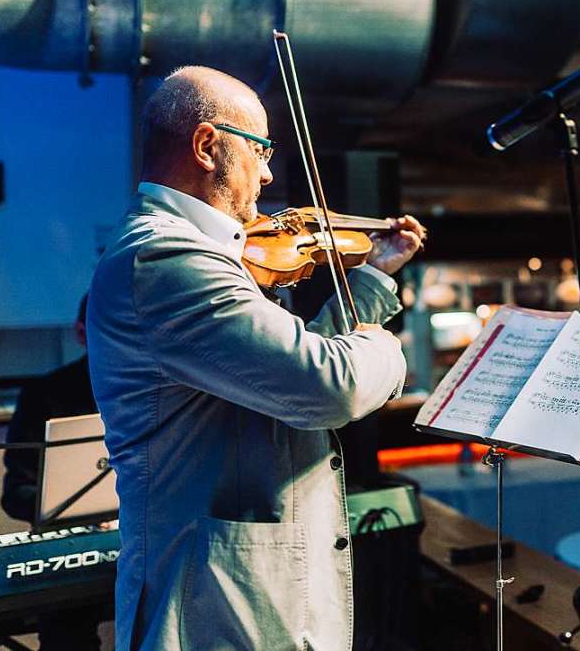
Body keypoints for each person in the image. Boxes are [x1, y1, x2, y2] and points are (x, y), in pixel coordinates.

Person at [87, 66, 423, 650]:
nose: (268, 175)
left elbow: (284, 373)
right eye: (263, 150)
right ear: (207, 145)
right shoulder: (166, 258)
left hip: (248, 595)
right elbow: (328, 386)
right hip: (212, 607)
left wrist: (369, 281)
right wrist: (390, 349)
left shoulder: (202, 253)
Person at [1, 293, 106, 650]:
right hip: (70, 546)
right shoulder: (45, 394)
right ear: (81, 333)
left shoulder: (152, 391)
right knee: (68, 632)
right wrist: (74, 515)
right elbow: (15, 493)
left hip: (142, 542)